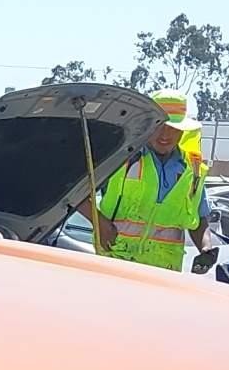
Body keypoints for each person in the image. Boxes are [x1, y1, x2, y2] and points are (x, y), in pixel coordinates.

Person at [91, 92, 212, 270]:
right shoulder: (121, 158)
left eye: (173, 127)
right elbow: (73, 193)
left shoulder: (192, 169)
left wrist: (206, 248)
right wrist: (100, 224)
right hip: (117, 265)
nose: (165, 134)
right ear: (147, 125)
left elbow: (200, 219)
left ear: (182, 131)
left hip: (163, 274)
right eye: (159, 126)